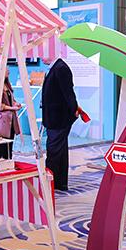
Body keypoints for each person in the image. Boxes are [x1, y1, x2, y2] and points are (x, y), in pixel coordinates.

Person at [41, 57, 79, 191]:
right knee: (60, 150)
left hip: (58, 118)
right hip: (55, 118)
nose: (40, 57)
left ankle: (50, 182)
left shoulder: (60, 68)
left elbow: (68, 92)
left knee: (54, 150)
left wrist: (74, 109)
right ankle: (59, 183)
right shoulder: (56, 67)